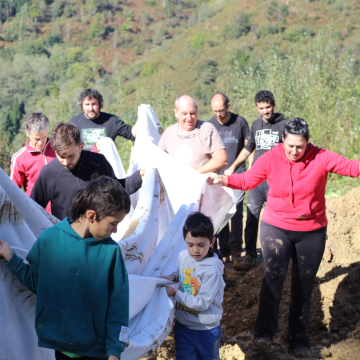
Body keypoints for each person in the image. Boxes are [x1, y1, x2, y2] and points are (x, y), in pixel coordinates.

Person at [207, 118, 360, 357]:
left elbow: (352, 168)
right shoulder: (270, 158)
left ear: (307, 143)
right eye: (290, 146)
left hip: (312, 230)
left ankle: (298, 339)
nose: (294, 151)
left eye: (300, 146)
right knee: (273, 278)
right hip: (276, 227)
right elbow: (248, 180)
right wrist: (224, 179)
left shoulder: (321, 157)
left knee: (304, 286)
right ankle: (264, 333)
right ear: (283, 141)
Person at [0, 176, 130, 360]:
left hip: (96, 351)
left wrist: (115, 351)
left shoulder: (111, 251)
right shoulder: (49, 239)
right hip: (59, 346)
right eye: (113, 223)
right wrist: (11, 258)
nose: (115, 231)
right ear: (92, 216)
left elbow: (119, 305)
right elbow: (38, 283)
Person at [224, 90, 287, 269]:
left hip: (277, 180)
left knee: (277, 218)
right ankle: (250, 256)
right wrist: (233, 167)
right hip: (258, 180)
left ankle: (279, 254)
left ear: (273, 104)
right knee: (251, 216)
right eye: (261, 108)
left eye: (268, 107)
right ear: (257, 108)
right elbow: (248, 148)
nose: (265, 111)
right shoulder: (255, 125)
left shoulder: (284, 125)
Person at [31, 122, 143, 220]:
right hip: (65, 239)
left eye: (71, 156)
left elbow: (116, 190)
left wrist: (139, 177)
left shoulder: (98, 162)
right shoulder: (49, 172)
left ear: (81, 146)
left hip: (97, 237)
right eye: (61, 157)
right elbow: (33, 208)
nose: (66, 162)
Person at [161, 212, 225, 360]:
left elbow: (202, 303)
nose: (195, 250)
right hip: (183, 325)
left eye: (201, 245)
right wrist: (173, 276)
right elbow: (182, 272)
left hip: (206, 329)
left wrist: (175, 292)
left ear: (212, 241)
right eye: (190, 245)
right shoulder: (183, 256)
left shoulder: (212, 270)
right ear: (184, 240)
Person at [208, 93, 250, 262]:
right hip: (218, 177)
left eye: (221, 110)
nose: (218, 114)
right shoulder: (209, 125)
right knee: (221, 213)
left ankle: (236, 250)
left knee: (237, 213)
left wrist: (250, 170)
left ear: (228, 106)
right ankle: (223, 250)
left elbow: (249, 146)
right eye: (215, 111)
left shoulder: (240, 122)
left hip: (237, 174)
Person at [158, 95, 228, 173]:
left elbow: (222, 159)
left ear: (197, 110)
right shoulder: (169, 132)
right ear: (176, 113)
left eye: (192, 113)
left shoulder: (206, 129)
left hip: (203, 184)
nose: (189, 118)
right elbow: (158, 160)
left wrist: (194, 174)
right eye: (184, 114)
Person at [10, 112, 56, 213]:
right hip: (36, 212)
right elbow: (12, 191)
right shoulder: (19, 158)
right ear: (27, 133)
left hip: (61, 210)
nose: (41, 143)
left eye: (44, 137)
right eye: (37, 139)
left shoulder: (58, 147)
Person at [69, 88, 139, 152]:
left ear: (99, 105)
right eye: (87, 104)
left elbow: (133, 134)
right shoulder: (74, 123)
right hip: (83, 165)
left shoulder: (112, 120)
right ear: (82, 106)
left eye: (94, 104)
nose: (91, 108)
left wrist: (142, 116)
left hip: (106, 164)